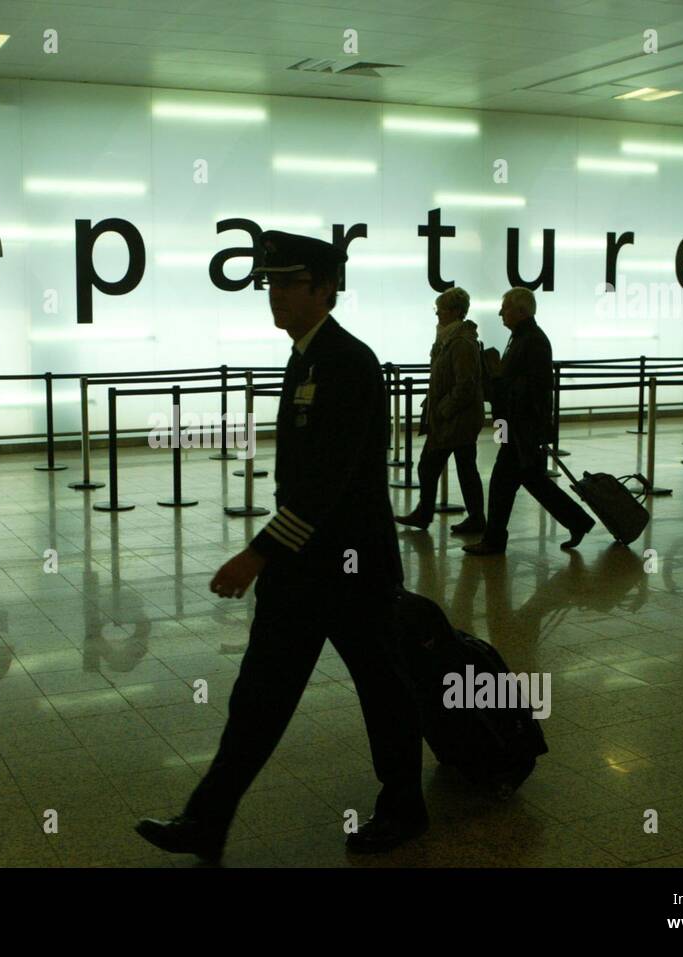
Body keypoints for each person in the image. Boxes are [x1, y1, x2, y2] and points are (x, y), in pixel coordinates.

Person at [134, 231, 427, 863]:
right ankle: (206, 820)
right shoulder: (307, 355)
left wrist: (258, 552)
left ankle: (405, 805)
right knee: (259, 694)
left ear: (324, 289)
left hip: (351, 567)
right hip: (305, 569)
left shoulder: (348, 361)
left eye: (289, 283)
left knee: (383, 688)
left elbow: (328, 483)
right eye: (270, 283)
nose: (275, 294)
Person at [464, 287, 593, 556]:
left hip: (521, 427)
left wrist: (498, 377)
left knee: (503, 481)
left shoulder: (531, 340)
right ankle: (579, 521)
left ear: (521, 311)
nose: (501, 312)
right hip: (513, 424)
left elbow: (532, 387)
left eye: (506, 307)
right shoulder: (522, 338)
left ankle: (494, 540)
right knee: (533, 480)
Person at [395, 286, 486, 534]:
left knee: (430, 465)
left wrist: (443, 410)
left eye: (441, 310)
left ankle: (427, 514)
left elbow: (465, 384)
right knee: (463, 467)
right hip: (456, 418)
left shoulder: (460, 342)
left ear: (455, 311)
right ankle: (474, 517)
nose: (438, 315)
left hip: (455, 419)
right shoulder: (449, 339)